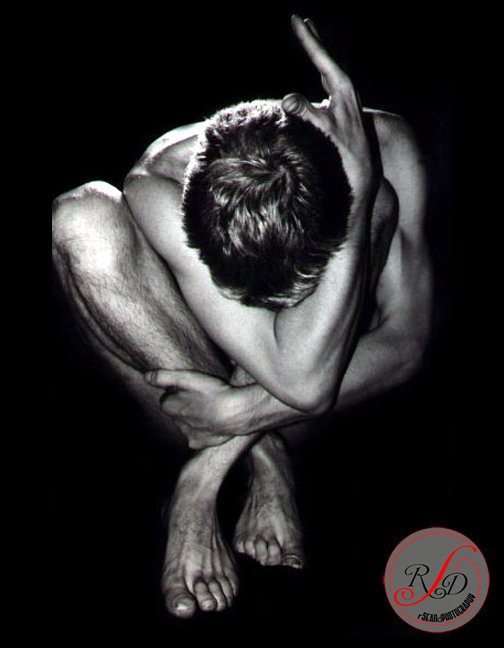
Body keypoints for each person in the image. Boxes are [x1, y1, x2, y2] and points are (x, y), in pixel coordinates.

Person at [51, 16, 432, 618]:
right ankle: (267, 457)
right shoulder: (160, 184)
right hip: (210, 372)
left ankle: (208, 470)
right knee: (81, 217)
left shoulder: (390, 149)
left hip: (277, 394)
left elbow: (403, 346)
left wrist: (359, 199)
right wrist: (259, 414)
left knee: (382, 200)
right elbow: (301, 383)